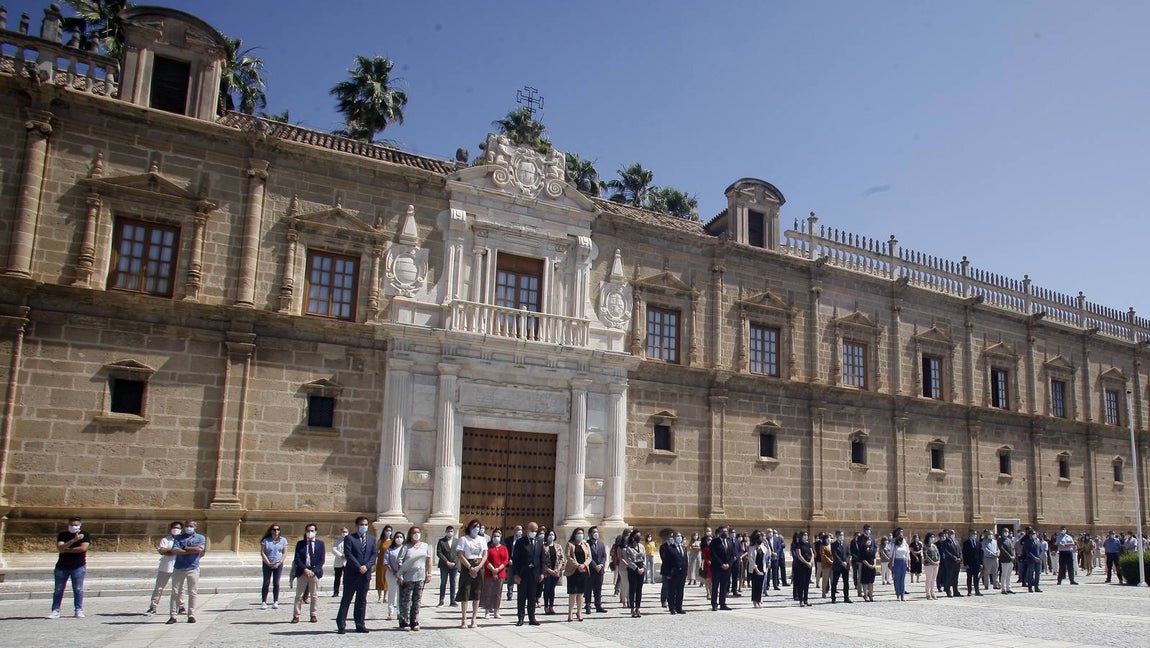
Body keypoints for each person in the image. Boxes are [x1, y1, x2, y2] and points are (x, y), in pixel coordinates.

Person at [335, 516, 377, 634]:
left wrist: (367, 566)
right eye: (362, 524)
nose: (364, 527)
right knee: (347, 599)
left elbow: (373, 555)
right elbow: (348, 554)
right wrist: (359, 566)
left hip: (365, 574)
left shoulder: (372, 539)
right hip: (352, 573)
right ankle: (341, 624)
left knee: (361, 600)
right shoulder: (350, 538)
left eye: (366, 524)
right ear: (357, 525)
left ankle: (360, 624)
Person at [49, 516, 91, 619]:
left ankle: (78, 609)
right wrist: (74, 540)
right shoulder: (63, 535)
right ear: (68, 524)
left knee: (78, 589)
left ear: (80, 525)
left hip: (78, 566)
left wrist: (67, 549)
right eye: (72, 525)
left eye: (76, 525)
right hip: (62, 566)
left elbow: (83, 548)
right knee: (58, 589)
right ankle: (55, 610)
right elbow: (59, 547)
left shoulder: (84, 535)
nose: (74, 527)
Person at [395, 525, 432, 631]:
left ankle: (414, 620)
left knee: (417, 600)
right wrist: (400, 575)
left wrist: (429, 574)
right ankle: (404, 621)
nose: (416, 534)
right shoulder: (406, 546)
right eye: (414, 532)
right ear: (410, 535)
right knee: (406, 599)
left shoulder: (425, 546)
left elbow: (428, 560)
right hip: (408, 576)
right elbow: (400, 561)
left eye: (418, 532)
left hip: (420, 576)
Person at [168, 519, 205, 624]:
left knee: (193, 592)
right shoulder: (179, 537)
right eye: (187, 526)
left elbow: (199, 549)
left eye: (191, 526)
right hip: (179, 567)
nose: (188, 528)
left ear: (195, 527)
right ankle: (173, 615)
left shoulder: (200, 538)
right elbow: (175, 550)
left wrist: (184, 548)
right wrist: (190, 550)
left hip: (193, 567)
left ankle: (191, 614)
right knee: (175, 592)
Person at [456, 518, 488, 628]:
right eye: (474, 527)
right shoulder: (463, 539)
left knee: (477, 592)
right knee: (466, 591)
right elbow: (460, 555)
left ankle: (474, 618)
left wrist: (479, 567)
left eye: (478, 527)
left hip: (479, 566)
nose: (477, 529)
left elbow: (485, 554)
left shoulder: (482, 540)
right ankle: (464, 618)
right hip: (467, 566)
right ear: (470, 527)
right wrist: (470, 567)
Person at [290, 523, 325, 624]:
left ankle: (313, 614)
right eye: (308, 531)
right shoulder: (300, 544)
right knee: (299, 595)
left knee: (314, 595)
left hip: (314, 572)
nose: (310, 533)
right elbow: (297, 558)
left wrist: (314, 571)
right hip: (303, 571)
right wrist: (305, 569)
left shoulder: (320, 544)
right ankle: (296, 615)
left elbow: (321, 559)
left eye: (312, 531)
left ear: (316, 532)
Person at [146, 521, 181, 615]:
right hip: (165, 567)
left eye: (178, 528)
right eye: (174, 527)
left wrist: (171, 551)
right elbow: (162, 550)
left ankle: (181, 606)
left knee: (179, 589)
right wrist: (175, 551)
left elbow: (183, 551)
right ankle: (153, 606)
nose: (176, 529)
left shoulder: (182, 540)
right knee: (159, 588)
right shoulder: (165, 540)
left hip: (178, 567)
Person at [512, 521, 544, 626]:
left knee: (532, 596)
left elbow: (542, 559)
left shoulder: (539, 542)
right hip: (523, 573)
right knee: (522, 596)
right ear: (527, 530)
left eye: (536, 531)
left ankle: (532, 618)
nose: (534, 532)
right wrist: (516, 574)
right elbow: (515, 560)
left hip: (534, 574)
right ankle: (521, 618)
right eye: (532, 530)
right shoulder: (520, 542)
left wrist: (541, 572)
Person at [480, 528, 509, 619]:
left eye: (498, 536)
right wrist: (493, 569)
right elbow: (485, 560)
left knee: (497, 593)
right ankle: (487, 611)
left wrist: (499, 568)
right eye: (494, 536)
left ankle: (496, 611)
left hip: (500, 573)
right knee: (488, 592)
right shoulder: (488, 548)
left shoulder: (504, 548)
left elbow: (506, 560)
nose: (496, 538)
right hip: (489, 573)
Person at [565, 528, 592, 621]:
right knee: (572, 593)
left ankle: (579, 612)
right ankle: (570, 613)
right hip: (573, 571)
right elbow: (568, 556)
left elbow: (589, 557)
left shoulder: (586, 545)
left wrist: (584, 565)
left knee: (580, 593)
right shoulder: (570, 544)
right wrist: (577, 566)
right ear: (574, 534)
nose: (580, 535)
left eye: (581, 533)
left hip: (583, 571)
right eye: (578, 533)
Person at [259, 523, 287, 610]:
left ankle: (275, 601)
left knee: (276, 583)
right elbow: (262, 552)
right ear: (271, 531)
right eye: (274, 530)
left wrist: (279, 562)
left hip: (278, 563)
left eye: (278, 529)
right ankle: (264, 601)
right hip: (268, 563)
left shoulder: (283, 540)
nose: (276, 531)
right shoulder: (266, 540)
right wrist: (268, 563)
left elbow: (284, 552)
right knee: (266, 582)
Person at [661, 530, 689, 613]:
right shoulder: (670, 548)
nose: (679, 538)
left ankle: (679, 607)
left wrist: (686, 571)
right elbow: (666, 562)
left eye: (680, 536)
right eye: (677, 536)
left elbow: (685, 560)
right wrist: (668, 573)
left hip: (682, 573)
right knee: (672, 591)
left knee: (680, 591)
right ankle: (672, 607)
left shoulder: (683, 548)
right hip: (673, 573)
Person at [709, 526, 734, 611]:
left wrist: (728, 564)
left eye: (726, 531)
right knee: (715, 586)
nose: (725, 533)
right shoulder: (714, 542)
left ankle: (722, 603)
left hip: (727, 569)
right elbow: (713, 554)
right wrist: (721, 564)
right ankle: (714, 604)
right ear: (719, 532)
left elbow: (732, 555)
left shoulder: (730, 542)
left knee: (724, 587)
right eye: (723, 531)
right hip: (717, 568)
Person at [622, 529, 646, 617]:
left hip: (641, 569)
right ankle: (632, 608)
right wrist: (636, 569)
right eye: (637, 536)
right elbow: (629, 560)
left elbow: (644, 558)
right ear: (632, 537)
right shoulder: (628, 548)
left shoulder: (642, 547)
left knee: (639, 590)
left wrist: (643, 568)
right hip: (633, 570)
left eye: (639, 536)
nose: (638, 538)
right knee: (632, 589)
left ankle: (638, 608)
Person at [540, 527, 564, 616]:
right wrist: (548, 570)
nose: (551, 536)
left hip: (556, 572)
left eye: (552, 535)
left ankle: (551, 606)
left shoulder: (558, 546)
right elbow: (541, 560)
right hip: (547, 572)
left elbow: (562, 558)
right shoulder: (543, 546)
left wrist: (557, 569)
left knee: (552, 590)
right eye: (549, 534)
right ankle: (546, 606)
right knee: (546, 589)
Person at [584, 526, 608, 614]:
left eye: (597, 532)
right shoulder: (586, 544)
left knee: (598, 589)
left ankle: (598, 605)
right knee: (588, 588)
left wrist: (601, 565)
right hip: (590, 569)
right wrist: (595, 566)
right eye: (594, 532)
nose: (596, 534)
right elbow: (587, 557)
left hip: (600, 570)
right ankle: (588, 605)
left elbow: (604, 556)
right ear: (590, 534)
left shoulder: (601, 544)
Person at [382, 531, 405, 620]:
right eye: (397, 537)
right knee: (392, 592)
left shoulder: (405, 549)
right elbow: (386, 562)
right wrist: (394, 571)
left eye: (401, 537)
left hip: (402, 574)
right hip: (391, 573)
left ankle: (400, 612)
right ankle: (390, 612)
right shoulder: (390, 549)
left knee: (401, 594)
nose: (399, 539)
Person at [746, 530, 769, 608]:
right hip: (754, 569)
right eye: (759, 537)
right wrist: (756, 569)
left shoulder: (763, 547)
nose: (760, 538)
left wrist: (767, 544)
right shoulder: (751, 548)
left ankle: (759, 600)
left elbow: (768, 553)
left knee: (760, 585)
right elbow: (751, 559)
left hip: (762, 567)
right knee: (755, 585)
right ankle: (755, 600)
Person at [437, 526, 458, 606]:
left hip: (454, 566)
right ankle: (441, 600)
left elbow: (458, 553)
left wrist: (454, 562)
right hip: (444, 565)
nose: (450, 532)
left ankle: (452, 600)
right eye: (449, 531)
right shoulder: (441, 541)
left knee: (453, 583)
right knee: (443, 582)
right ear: (446, 531)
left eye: (452, 531)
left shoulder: (457, 541)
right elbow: (439, 553)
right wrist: (446, 562)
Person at [791, 530, 814, 607]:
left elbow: (812, 553)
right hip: (801, 566)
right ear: (801, 536)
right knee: (801, 583)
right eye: (804, 535)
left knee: (807, 584)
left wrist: (810, 561)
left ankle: (806, 599)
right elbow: (799, 555)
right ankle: (801, 600)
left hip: (809, 566)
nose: (806, 536)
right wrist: (806, 563)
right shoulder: (798, 544)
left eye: (806, 535)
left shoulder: (808, 544)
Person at [829, 530, 851, 604]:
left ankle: (846, 597)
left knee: (846, 583)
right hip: (837, 565)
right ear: (837, 536)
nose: (842, 537)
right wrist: (841, 562)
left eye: (843, 535)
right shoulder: (833, 545)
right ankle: (833, 597)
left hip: (845, 566)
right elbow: (835, 555)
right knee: (835, 582)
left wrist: (846, 561)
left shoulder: (846, 544)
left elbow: (849, 554)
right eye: (840, 535)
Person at [374, 525, 394, 604]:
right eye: (387, 530)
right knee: (379, 578)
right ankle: (379, 597)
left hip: (388, 562)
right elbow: (376, 550)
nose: (388, 532)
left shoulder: (392, 541)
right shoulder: (381, 540)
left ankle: (385, 597)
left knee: (386, 579)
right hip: (380, 562)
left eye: (390, 530)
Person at [939, 529, 962, 597]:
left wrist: (960, 558)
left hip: (957, 563)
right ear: (948, 534)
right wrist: (955, 558)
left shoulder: (956, 541)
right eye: (951, 533)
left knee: (956, 577)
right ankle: (948, 591)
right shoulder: (945, 542)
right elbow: (947, 552)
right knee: (949, 577)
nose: (953, 534)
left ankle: (956, 591)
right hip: (950, 562)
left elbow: (959, 550)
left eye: (953, 533)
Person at [1020, 526, 1043, 593]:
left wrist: (1039, 557)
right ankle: (1030, 587)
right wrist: (1034, 557)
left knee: (1037, 574)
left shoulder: (1037, 541)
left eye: (1035, 534)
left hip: (1038, 559)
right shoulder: (1027, 541)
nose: (1034, 535)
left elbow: (1040, 550)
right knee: (1030, 574)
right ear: (1030, 534)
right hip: (1031, 560)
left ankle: (1037, 587)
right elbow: (1027, 551)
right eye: (1033, 534)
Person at [505, 525, 523, 602]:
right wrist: (509, 559)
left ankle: (521, 594)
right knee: (510, 579)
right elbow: (506, 551)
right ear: (514, 530)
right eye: (518, 529)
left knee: (521, 578)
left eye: (521, 530)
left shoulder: (524, 540)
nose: (519, 531)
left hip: (521, 562)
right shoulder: (509, 540)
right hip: (512, 561)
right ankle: (509, 594)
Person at [858, 532, 876, 602]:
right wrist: (868, 565)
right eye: (868, 540)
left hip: (872, 567)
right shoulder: (862, 548)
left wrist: (874, 564)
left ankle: (871, 595)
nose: (869, 541)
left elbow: (874, 557)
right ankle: (865, 596)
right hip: (865, 567)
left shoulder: (871, 548)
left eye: (870, 540)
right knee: (865, 582)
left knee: (871, 582)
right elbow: (862, 559)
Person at [891, 535, 910, 602]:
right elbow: (892, 555)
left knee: (902, 579)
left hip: (903, 562)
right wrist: (891, 564)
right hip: (897, 561)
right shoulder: (895, 546)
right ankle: (898, 594)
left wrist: (908, 565)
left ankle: (902, 595)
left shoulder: (905, 546)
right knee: (897, 579)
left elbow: (908, 555)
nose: (900, 542)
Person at [331, 527, 348, 597]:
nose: (345, 533)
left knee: (347, 578)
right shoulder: (337, 541)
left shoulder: (350, 540)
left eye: (346, 532)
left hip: (347, 562)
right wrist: (340, 555)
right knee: (337, 578)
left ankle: (346, 592)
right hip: (339, 561)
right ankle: (336, 592)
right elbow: (333, 549)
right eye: (343, 532)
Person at [922, 533, 940, 600]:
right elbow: (926, 555)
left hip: (936, 564)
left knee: (933, 579)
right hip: (929, 564)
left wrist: (938, 561)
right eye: (931, 537)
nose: (932, 538)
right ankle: (928, 593)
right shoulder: (925, 546)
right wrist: (932, 562)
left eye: (933, 537)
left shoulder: (934, 546)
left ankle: (933, 592)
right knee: (929, 579)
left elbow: (938, 554)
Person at [998, 528, 1015, 594]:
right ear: (1002, 532)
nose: (1006, 532)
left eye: (1007, 531)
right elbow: (1002, 549)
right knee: (1004, 574)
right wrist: (1009, 556)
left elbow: (1012, 548)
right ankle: (1003, 589)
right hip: (1004, 559)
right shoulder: (1000, 540)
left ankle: (1008, 588)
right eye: (1005, 531)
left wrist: (1013, 555)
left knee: (1009, 575)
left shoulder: (1009, 540)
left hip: (1011, 560)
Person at [819, 533, 834, 598]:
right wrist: (829, 561)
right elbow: (823, 555)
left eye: (829, 538)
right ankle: (823, 592)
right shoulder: (822, 546)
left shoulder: (832, 545)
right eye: (827, 538)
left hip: (833, 565)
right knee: (825, 579)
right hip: (826, 565)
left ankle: (833, 592)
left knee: (833, 579)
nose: (829, 539)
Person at [700, 531, 713, 600]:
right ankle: (708, 592)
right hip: (707, 565)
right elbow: (704, 557)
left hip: (714, 565)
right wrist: (708, 561)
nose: (709, 541)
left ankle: (712, 592)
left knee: (712, 580)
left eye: (710, 539)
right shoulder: (705, 548)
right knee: (708, 579)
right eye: (708, 540)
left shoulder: (714, 548)